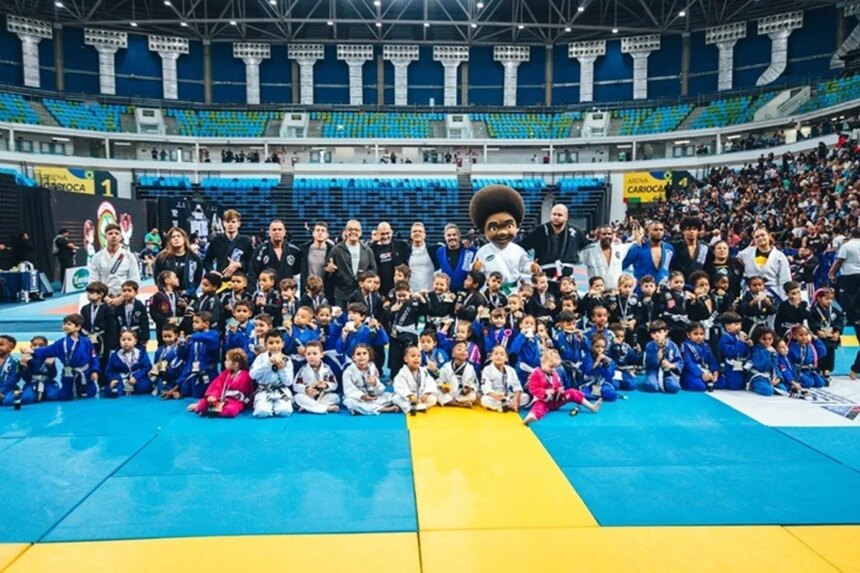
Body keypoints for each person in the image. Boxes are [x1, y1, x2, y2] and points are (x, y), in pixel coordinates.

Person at [20, 313, 100, 401]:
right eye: (64, 324)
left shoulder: (86, 342)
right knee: (64, 397)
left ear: (77, 327)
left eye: (69, 324)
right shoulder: (60, 343)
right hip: (69, 374)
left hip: (85, 373)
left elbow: (93, 357)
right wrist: (32, 351)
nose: (65, 326)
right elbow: (48, 350)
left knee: (90, 395)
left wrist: (94, 370)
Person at [470, 185, 532, 292]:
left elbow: (525, 268)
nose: (502, 232)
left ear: (517, 227)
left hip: (514, 292)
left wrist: (532, 268)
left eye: (508, 226)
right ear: (483, 231)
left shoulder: (518, 250)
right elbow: (477, 273)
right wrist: (475, 268)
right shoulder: (483, 251)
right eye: (494, 228)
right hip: (490, 291)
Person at [521, 204, 590, 291]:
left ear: (566, 217)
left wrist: (582, 277)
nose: (556, 217)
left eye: (559, 215)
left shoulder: (576, 232)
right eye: (554, 214)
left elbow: (588, 249)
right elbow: (522, 247)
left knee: (576, 298)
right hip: (545, 277)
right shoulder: (540, 230)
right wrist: (529, 264)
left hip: (570, 278)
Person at [523, 349, 601, 425]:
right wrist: (545, 391)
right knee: (538, 406)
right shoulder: (536, 373)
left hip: (555, 401)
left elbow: (558, 385)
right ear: (542, 362)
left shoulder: (554, 373)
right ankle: (531, 417)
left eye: (555, 367)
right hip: (543, 401)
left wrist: (559, 390)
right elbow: (532, 389)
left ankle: (592, 407)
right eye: (551, 367)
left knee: (572, 392)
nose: (553, 370)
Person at [189, 348, 254, 418]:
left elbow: (248, 392)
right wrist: (212, 396)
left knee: (231, 410)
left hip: (233, 402)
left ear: (235, 364)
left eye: (227, 360)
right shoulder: (225, 373)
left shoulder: (245, 376)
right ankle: (209, 409)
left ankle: (209, 411)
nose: (225, 362)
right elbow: (216, 386)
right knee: (202, 404)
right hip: (219, 399)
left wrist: (247, 403)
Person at [327, 220, 378, 307]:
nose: (353, 232)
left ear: (360, 233)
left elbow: (373, 269)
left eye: (356, 230)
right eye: (350, 229)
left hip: (360, 294)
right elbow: (326, 268)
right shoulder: (336, 250)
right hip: (341, 294)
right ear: (345, 232)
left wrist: (365, 279)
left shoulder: (367, 250)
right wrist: (329, 269)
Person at [88, 223, 141, 302]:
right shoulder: (97, 257)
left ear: (121, 237)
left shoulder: (129, 256)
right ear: (105, 236)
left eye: (116, 233)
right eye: (110, 233)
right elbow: (93, 280)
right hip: (103, 298)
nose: (113, 236)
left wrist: (121, 298)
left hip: (124, 297)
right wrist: (105, 298)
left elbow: (134, 279)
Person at [736, 226, 792, 300]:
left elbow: (785, 279)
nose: (760, 238)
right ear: (754, 240)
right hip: (750, 295)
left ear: (769, 236)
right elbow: (735, 259)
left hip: (772, 294)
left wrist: (785, 299)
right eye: (757, 237)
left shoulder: (779, 256)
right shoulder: (746, 253)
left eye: (763, 235)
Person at [342, 344, 399, 415]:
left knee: (395, 396)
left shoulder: (372, 368)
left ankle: (371, 407)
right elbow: (348, 391)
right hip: (359, 399)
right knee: (349, 402)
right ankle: (382, 409)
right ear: (353, 358)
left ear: (369, 356)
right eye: (358, 354)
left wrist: (375, 383)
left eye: (364, 353)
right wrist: (363, 396)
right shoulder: (348, 372)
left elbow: (381, 390)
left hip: (374, 397)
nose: (362, 356)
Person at [249, 329, 294, 417]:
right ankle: (266, 406)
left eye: (277, 342)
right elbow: (252, 375)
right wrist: (268, 364)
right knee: (261, 412)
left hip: (281, 391)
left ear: (283, 344)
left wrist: (283, 369)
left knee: (284, 412)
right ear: (265, 344)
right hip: (264, 391)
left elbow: (289, 382)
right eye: (271, 343)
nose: (274, 346)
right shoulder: (260, 358)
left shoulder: (287, 360)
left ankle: (280, 405)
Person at [293, 341, 341, 414]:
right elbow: (296, 386)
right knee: (298, 397)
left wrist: (326, 385)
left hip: (322, 396)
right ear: (305, 356)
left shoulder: (327, 369)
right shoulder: (303, 370)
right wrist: (306, 389)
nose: (311, 356)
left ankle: (308, 407)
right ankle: (326, 408)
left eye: (315, 354)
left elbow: (335, 384)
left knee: (335, 397)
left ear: (321, 355)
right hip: (308, 396)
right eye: (308, 354)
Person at [250, 219, 302, 286]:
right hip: (267, 290)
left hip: (286, 289)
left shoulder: (294, 250)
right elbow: (253, 273)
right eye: (274, 230)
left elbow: (298, 273)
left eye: (280, 229)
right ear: (269, 233)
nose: (277, 232)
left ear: (284, 232)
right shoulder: (260, 250)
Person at [153, 227, 203, 297]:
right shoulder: (162, 258)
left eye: (178, 236)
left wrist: (188, 292)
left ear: (184, 238)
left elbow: (197, 279)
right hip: (168, 296)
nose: (176, 238)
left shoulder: (194, 258)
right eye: (173, 237)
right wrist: (167, 292)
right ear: (169, 241)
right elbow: (157, 278)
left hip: (189, 296)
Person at [622, 221, 675, 287]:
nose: (659, 232)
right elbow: (622, 266)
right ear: (648, 232)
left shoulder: (669, 249)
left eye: (661, 230)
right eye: (655, 230)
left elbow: (672, 267)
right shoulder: (638, 247)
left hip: (663, 288)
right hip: (642, 289)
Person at [202, 209, 253, 277]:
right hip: (220, 278)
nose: (230, 224)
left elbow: (252, 263)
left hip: (240, 279)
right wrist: (211, 271)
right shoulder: (216, 240)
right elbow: (206, 261)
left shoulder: (246, 241)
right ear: (223, 223)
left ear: (239, 224)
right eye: (227, 221)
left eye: (233, 222)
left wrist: (239, 264)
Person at [103, 330, 153, 397]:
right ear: (119, 341)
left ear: (135, 341)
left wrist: (136, 377)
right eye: (123, 340)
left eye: (129, 339)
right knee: (112, 390)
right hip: (121, 379)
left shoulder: (141, 353)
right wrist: (114, 379)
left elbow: (147, 366)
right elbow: (109, 370)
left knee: (145, 387)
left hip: (138, 378)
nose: (126, 342)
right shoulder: (115, 355)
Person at [580, 225, 630, 291]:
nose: (607, 236)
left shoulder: (619, 248)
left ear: (613, 235)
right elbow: (575, 259)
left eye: (609, 234)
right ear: (599, 235)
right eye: (604, 234)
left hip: (616, 291)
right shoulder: (589, 250)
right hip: (597, 291)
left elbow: (635, 244)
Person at [480, 345, 528, 412]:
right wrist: (495, 396)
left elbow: (517, 386)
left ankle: (506, 405)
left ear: (506, 358)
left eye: (502, 354)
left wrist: (516, 399)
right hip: (494, 396)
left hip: (508, 395)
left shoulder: (511, 370)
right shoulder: (487, 369)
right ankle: (508, 405)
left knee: (526, 397)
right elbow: (485, 387)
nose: (498, 356)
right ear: (491, 357)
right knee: (484, 400)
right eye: (496, 354)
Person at [392, 346, 438, 415]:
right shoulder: (402, 373)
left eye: (419, 356)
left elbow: (430, 382)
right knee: (396, 398)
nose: (416, 358)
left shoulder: (423, 371)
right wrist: (410, 396)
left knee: (433, 399)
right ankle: (414, 407)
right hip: (408, 398)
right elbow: (400, 387)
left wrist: (426, 393)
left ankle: (418, 406)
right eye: (413, 356)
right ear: (405, 359)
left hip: (420, 396)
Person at [641, 320, 682, 393]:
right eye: (654, 333)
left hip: (668, 371)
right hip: (654, 370)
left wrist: (670, 365)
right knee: (651, 386)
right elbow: (647, 363)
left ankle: (667, 381)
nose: (657, 335)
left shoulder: (673, 345)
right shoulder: (649, 346)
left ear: (666, 332)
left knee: (674, 387)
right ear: (651, 335)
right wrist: (656, 357)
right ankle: (653, 381)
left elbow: (679, 361)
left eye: (660, 332)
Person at [434, 224, 476, 293]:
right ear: (445, 237)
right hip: (446, 293)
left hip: (466, 292)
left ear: (459, 236)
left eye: (454, 235)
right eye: (449, 235)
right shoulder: (440, 252)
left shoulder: (469, 250)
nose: (452, 237)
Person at [371, 221, 410, 296]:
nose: (385, 236)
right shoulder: (371, 249)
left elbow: (407, 268)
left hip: (400, 290)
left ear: (392, 232)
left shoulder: (401, 246)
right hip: (380, 292)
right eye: (382, 234)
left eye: (387, 233)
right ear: (377, 234)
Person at [300, 221, 334, 300]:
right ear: (313, 233)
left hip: (325, 291)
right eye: (318, 230)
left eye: (323, 231)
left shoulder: (332, 250)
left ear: (327, 235)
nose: (320, 233)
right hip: (308, 290)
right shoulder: (304, 249)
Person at [407, 222, 437, 293]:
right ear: (411, 235)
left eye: (420, 231)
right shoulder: (405, 251)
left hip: (430, 292)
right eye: (414, 231)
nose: (417, 233)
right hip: (412, 293)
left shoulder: (433, 250)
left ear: (424, 235)